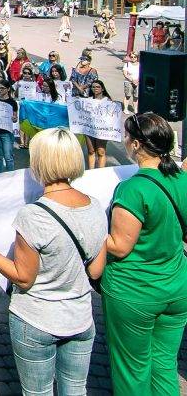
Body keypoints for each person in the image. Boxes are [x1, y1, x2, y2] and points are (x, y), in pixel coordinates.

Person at [0, 127, 106, 396]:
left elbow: (23, 277)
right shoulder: (95, 206)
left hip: (37, 317)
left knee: (38, 392)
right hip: (80, 316)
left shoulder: (33, 215)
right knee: (75, 389)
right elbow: (96, 269)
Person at [99, 112, 187, 395]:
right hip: (176, 286)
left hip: (135, 290)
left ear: (137, 144)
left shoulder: (132, 188)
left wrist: (92, 231)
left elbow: (120, 246)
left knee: (132, 370)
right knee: (164, 366)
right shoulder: (182, 180)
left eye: (126, 137)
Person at [84, 80, 113, 169]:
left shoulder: (108, 100)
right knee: (91, 151)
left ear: (102, 89)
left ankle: (101, 171)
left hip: (102, 129)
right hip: (89, 128)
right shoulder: (87, 100)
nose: (95, 89)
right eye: (93, 87)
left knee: (101, 151)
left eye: (98, 87)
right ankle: (91, 171)